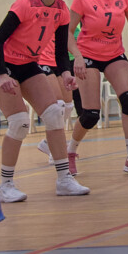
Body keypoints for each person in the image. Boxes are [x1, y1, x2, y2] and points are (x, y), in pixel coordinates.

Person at [0, 0, 90, 202]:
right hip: (2, 65)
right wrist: (3, 75)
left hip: (28, 64)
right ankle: (6, 185)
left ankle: (64, 180)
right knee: (19, 122)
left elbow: (60, 50)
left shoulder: (61, 9)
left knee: (54, 113)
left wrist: (65, 73)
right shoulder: (25, 4)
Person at [67, 0, 128, 176]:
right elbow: (68, 31)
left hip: (114, 54)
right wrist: (77, 56)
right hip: (88, 55)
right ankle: (70, 152)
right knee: (91, 114)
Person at [36, 35, 75, 164]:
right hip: (41, 62)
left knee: (68, 105)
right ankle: (55, 150)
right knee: (59, 106)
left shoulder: (61, 25)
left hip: (57, 61)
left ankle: (48, 143)